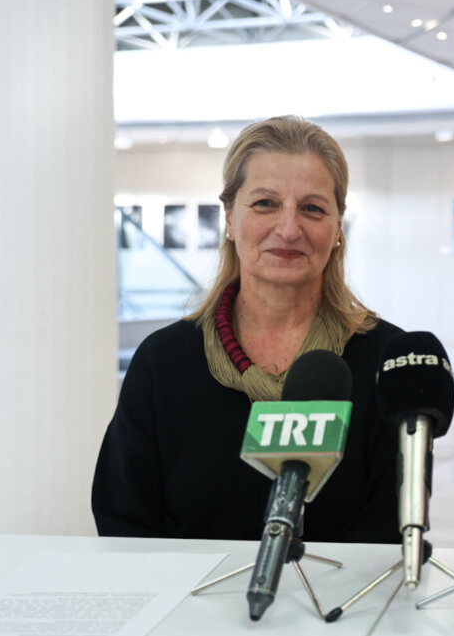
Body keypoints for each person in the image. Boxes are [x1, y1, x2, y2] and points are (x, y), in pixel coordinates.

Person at [93, 116, 403, 542]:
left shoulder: (389, 360)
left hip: (344, 589)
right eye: (265, 204)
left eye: (312, 208)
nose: (289, 229)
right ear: (229, 217)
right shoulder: (163, 362)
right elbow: (124, 519)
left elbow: (391, 528)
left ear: (337, 227)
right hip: (189, 588)